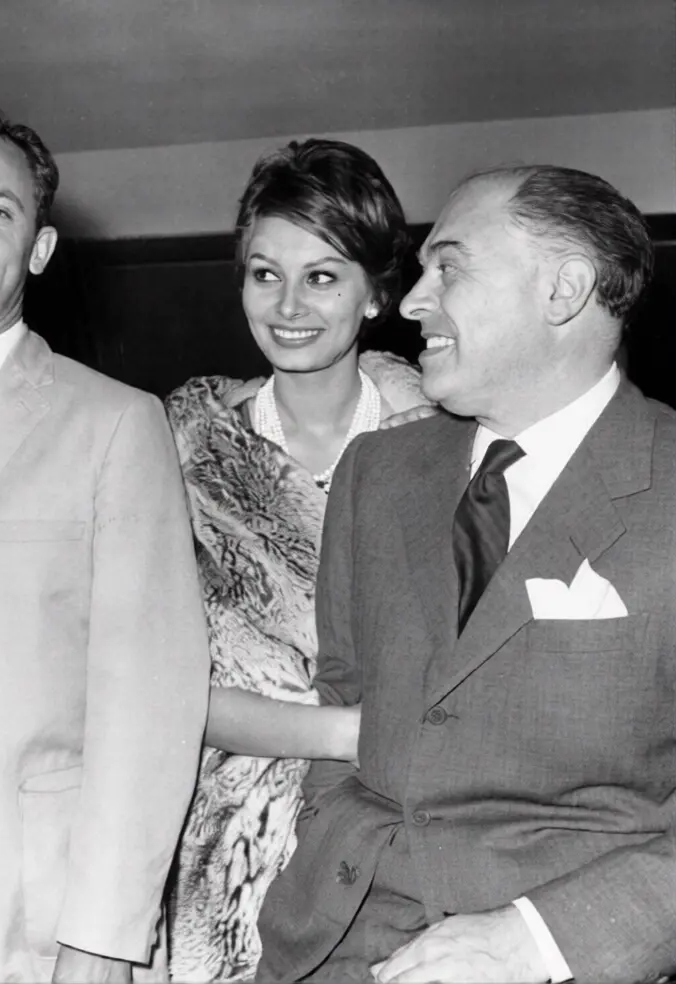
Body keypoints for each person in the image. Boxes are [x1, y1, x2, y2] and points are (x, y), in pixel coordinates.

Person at [256, 163, 676, 983]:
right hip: (326, 947)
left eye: (448, 267)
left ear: (563, 289)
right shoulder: (376, 471)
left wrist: (537, 942)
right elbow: (345, 695)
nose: (412, 301)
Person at [0, 102, 209, 984]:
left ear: (41, 248)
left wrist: (102, 939)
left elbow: (152, 702)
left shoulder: (115, 421)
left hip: (36, 922)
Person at [165, 138, 432, 982]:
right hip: (220, 862)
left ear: (377, 292)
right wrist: (356, 732)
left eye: (321, 276)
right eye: (263, 273)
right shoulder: (182, 448)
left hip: (403, 856)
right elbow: (159, 690)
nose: (287, 305)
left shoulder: (451, 446)